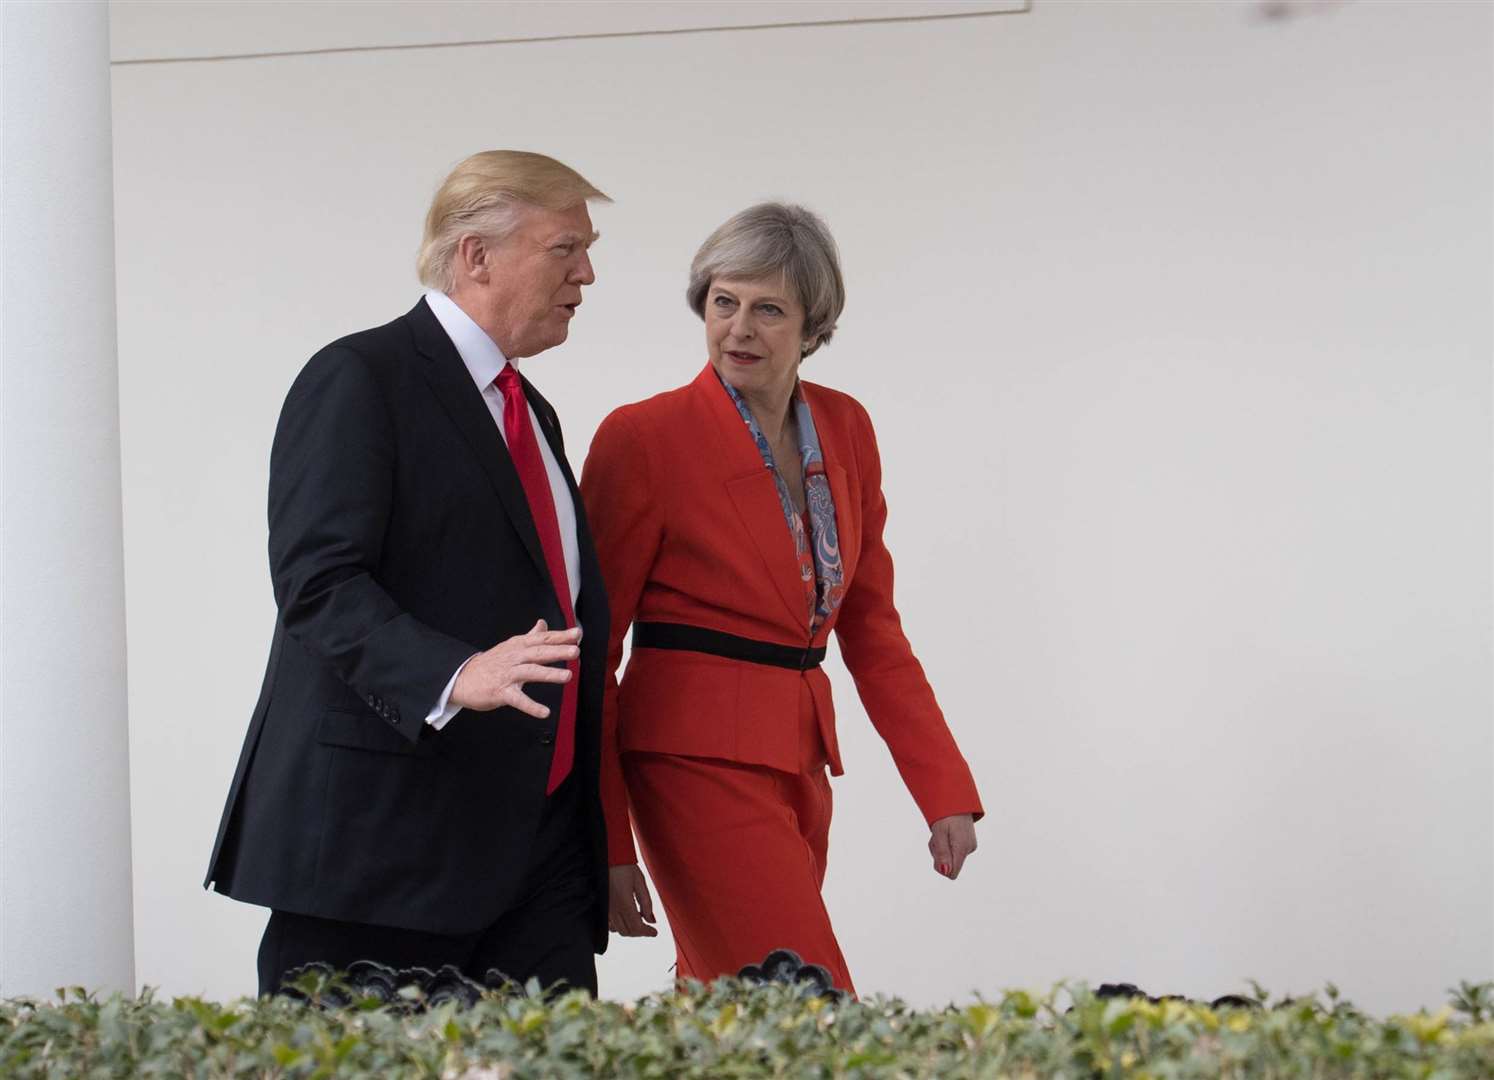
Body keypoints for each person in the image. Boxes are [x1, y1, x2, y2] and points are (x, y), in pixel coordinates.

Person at [205, 150, 614, 996]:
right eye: (565, 249)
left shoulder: (531, 409)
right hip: (383, 854)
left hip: (538, 858)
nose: (588, 274)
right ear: (476, 256)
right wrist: (456, 673)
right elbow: (319, 582)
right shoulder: (360, 378)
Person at [580, 203, 983, 993]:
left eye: (768, 309)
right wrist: (606, 837)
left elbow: (872, 627)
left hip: (800, 760)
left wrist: (942, 788)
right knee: (807, 1004)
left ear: (813, 325)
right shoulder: (644, 437)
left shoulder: (846, 426)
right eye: (724, 301)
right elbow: (592, 647)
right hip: (686, 760)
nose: (739, 328)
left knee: (733, 1010)